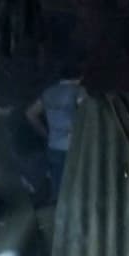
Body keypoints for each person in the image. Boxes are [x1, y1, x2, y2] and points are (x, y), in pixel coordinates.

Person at [26, 63, 87, 195]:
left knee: (59, 190)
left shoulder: (48, 92)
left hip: (53, 146)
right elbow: (85, 115)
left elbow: (30, 113)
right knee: (78, 188)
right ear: (80, 77)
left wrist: (45, 133)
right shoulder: (79, 91)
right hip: (75, 147)